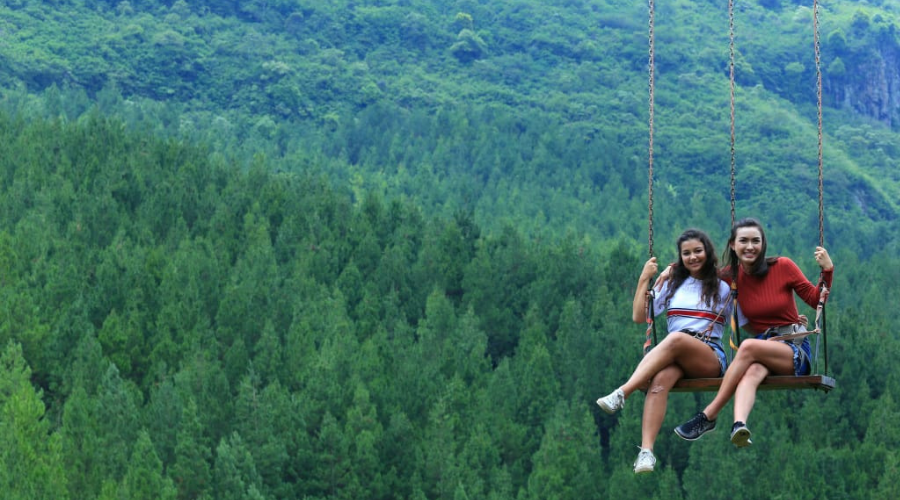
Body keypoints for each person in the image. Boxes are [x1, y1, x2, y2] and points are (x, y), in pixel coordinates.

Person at [673, 217, 834, 447]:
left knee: (747, 347)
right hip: (763, 348)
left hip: (793, 350)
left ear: (763, 243)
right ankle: (739, 425)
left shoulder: (783, 266)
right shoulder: (730, 276)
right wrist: (667, 274)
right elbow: (697, 274)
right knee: (753, 370)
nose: (750, 246)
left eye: (755, 241)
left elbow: (814, 298)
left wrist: (827, 269)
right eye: (744, 241)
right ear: (733, 245)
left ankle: (708, 415)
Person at [596, 228, 738, 474]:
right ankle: (646, 452)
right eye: (686, 254)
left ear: (708, 252)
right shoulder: (672, 284)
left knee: (676, 340)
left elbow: (749, 303)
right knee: (660, 381)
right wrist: (644, 278)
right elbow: (639, 316)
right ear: (680, 257)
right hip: (677, 356)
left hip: (709, 356)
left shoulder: (724, 286)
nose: (692, 257)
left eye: (697, 251)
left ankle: (623, 392)